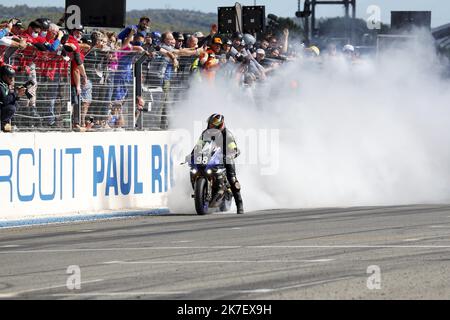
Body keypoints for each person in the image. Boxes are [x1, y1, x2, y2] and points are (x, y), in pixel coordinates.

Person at [191, 114, 244, 214]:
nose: (211, 127)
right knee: (194, 169)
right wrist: (192, 154)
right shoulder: (205, 133)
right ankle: (201, 194)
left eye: (213, 126)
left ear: (220, 126)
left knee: (232, 179)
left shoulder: (227, 135)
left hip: (225, 157)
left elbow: (233, 146)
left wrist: (232, 153)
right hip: (210, 157)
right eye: (210, 125)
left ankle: (240, 205)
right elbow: (198, 145)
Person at [0, 65, 26, 132]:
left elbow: (10, 99)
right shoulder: (0, 85)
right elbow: (5, 100)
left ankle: (5, 125)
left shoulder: (5, 84)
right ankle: (3, 125)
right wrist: (15, 93)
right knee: (11, 108)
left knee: (15, 104)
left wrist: (18, 95)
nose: (12, 79)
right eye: (10, 77)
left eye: (13, 77)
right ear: (4, 76)